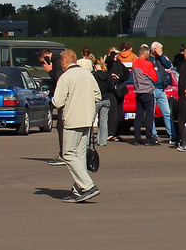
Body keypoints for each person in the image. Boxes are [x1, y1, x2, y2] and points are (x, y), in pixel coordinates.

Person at [51, 50, 102, 203]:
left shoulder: (66, 77)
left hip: (73, 120)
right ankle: (78, 189)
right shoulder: (88, 75)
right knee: (79, 155)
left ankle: (87, 186)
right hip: (87, 119)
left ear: (64, 62)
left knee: (68, 154)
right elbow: (97, 95)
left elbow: (58, 102)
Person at [130, 46, 159, 145]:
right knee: (149, 116)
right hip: (147, 91)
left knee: (139, 116)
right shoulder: (147, 64)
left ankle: (137, 138)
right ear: (146, 54)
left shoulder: (135, 63)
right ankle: (149, 138)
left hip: (138, 92)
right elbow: (155, 78)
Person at [149, 41, 177, 143]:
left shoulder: (161, 59)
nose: (162, 51)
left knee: (167, 113)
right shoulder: (148, 59)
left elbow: (168, 65)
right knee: (150, 113)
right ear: (154, 50)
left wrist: (161, 56)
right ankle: (153, 134)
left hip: (161, 89)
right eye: (160, 49)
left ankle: (172, 135)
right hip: (151, 89)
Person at [104, 49, 129, 142]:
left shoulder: (119, 63)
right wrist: (112, 53)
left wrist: (120, 78)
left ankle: (117, 132)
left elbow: (126, 74)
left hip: (119, 90)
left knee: (119, 113)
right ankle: (110, 133)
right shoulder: (108, 63)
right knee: (112, 113)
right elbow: (109, 60)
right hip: (111, 91)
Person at [92, 56, 115, 147]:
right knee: (104, 121)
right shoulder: (108, 75)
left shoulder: (94, 75)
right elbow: (112, 87)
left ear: (97, 65)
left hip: (97, 99)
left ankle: (86, 140)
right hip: (107, 99)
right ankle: (102, 141)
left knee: (90, 120)